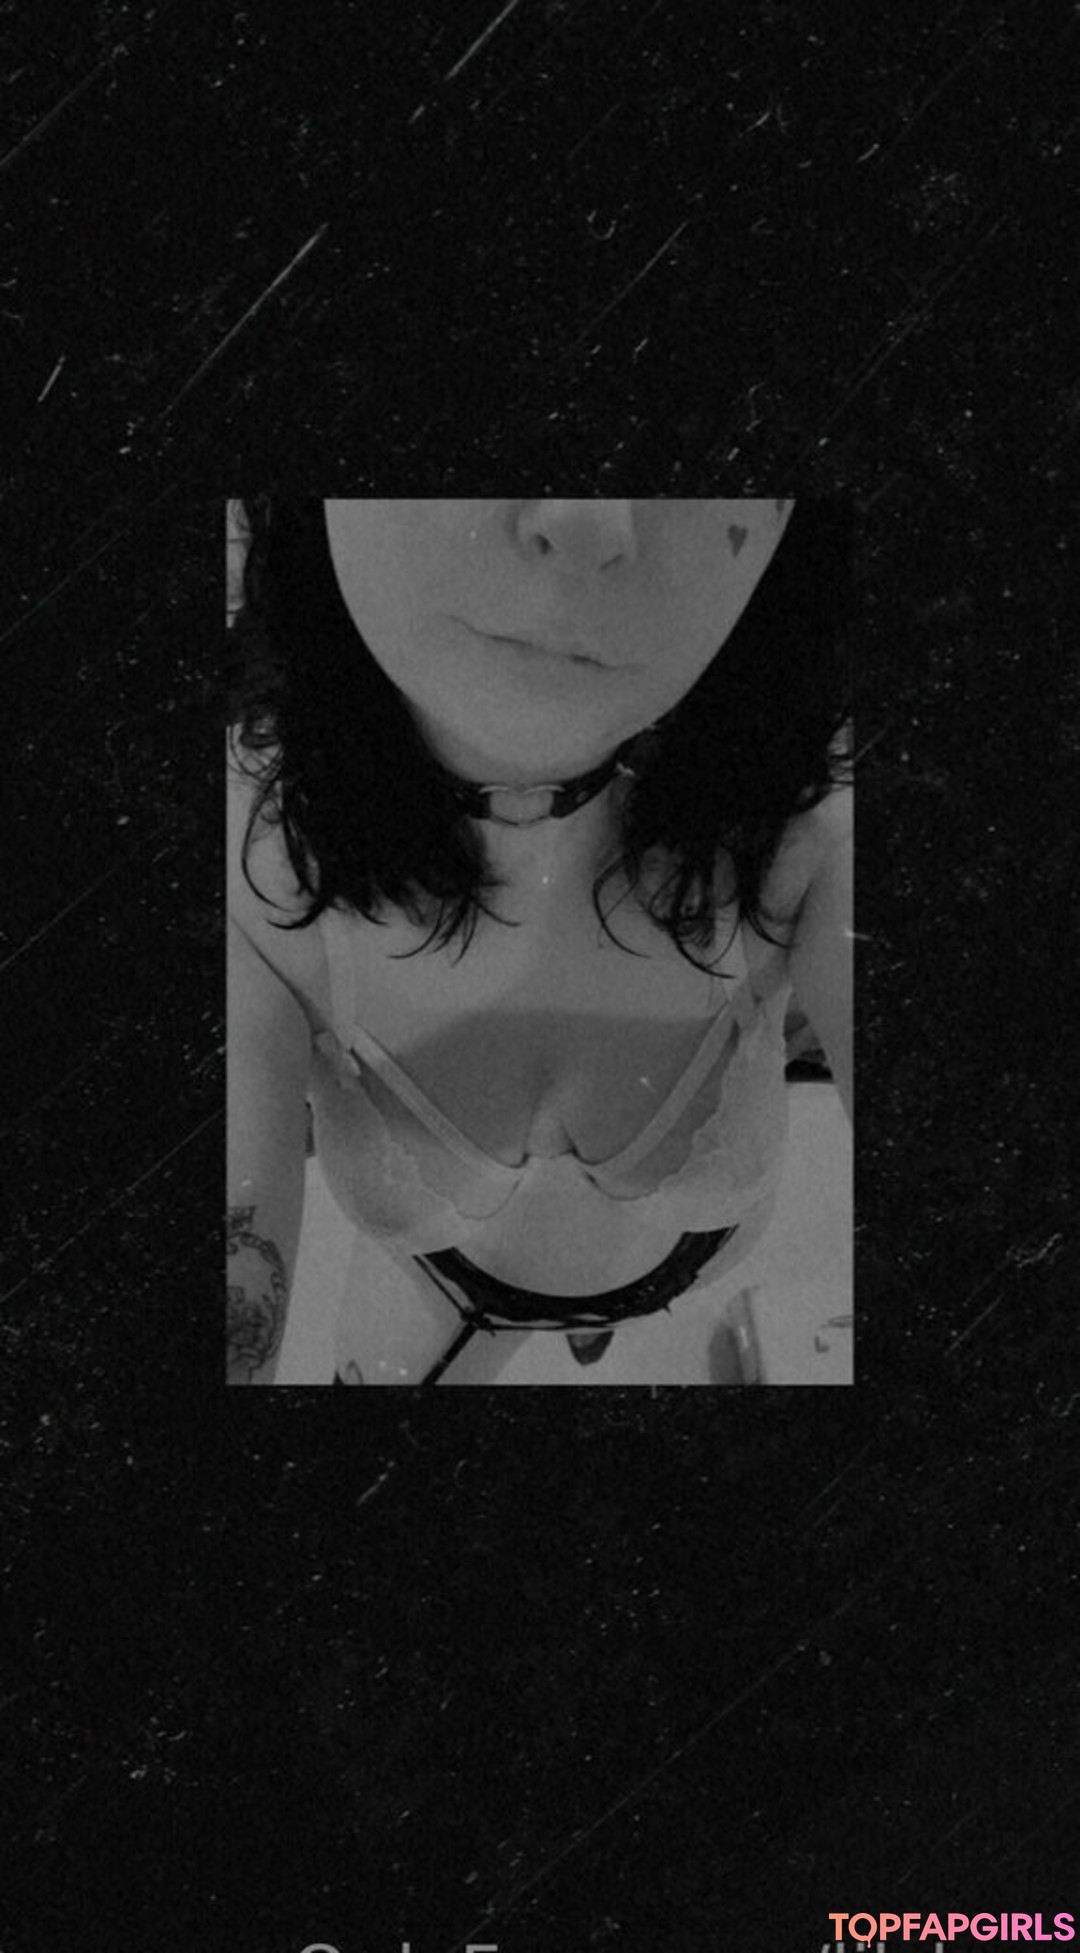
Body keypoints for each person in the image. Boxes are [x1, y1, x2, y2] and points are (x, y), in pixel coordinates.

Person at [226, 499, 853, 1387]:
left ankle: (598, 1327)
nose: (590, 518)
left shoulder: (816, 833)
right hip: (448, 1307)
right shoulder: (249, 877)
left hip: (699, 1258)